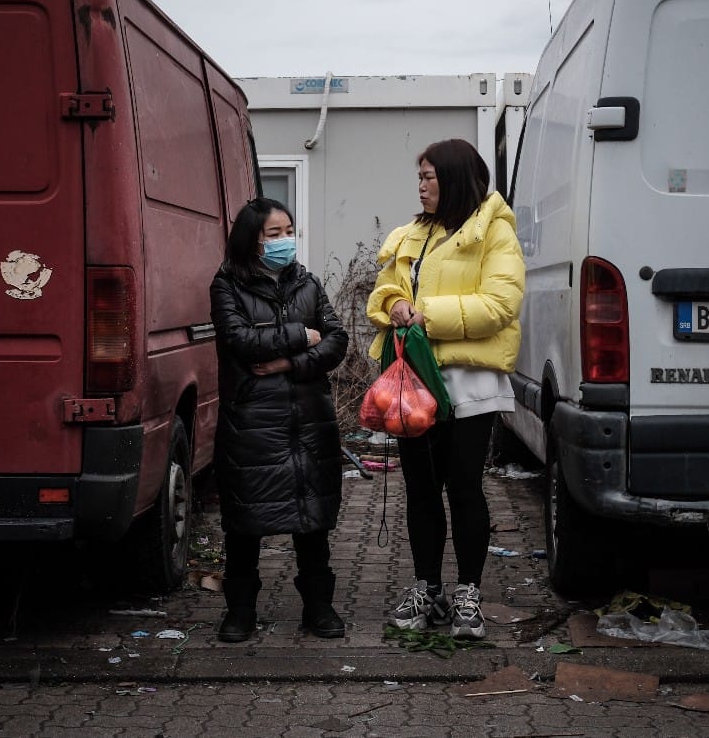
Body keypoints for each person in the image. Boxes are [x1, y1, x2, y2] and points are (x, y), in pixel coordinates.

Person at [366, 139, 525, 639]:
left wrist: (426, 317)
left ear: (454, 179)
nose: (421, 186)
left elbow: (499, 305)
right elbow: (386, 288)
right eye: (420, 177)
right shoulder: (413, 232)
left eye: (429, 177)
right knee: (420, 488)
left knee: (464, 488)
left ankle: (469, 595)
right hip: (415, 381)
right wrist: (393, 304)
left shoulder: (495, 233)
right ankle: (427, 588)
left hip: (469, 383)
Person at [209, 197, 349, 643]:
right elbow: (239, 339)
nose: (285, 240)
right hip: (252, 421)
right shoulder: (227, 284)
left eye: (289, 230)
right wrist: (298, 336)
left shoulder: (306, 283)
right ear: (251, 239)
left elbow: (337, 340)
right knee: (246, 522)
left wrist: (288, 363)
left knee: (312, 519)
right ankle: (241, 612)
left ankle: (319, 608)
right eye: (274, 234)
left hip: (308, 421)